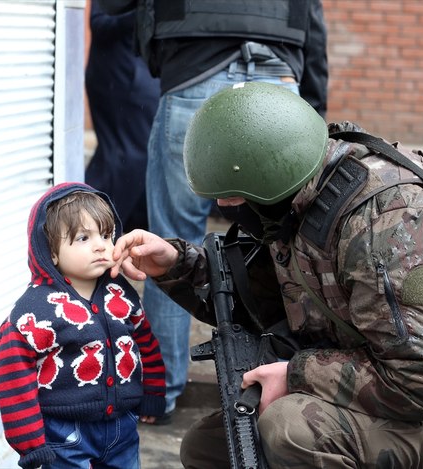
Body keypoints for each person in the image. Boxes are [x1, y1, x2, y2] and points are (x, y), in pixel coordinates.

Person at [111, 82, 423, 468]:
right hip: (392, 400)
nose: (224, 205)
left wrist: (297, 375)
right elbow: (261, 301)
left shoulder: (390, 222)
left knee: (291, 429)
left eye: (234, 196)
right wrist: (175, 264)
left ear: (267, 178)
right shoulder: (304, 198)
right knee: (209, 448)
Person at [98, 0, 329, 423]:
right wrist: (314, 111)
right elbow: (310, 18)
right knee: (285, 240)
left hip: (192, 72)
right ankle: (277, 381)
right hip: (278, 79)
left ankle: (159, 393)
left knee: (167, 239)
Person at [0, 182, 166, 469]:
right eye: (83, 238)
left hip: (122, 427)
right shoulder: (34, 313)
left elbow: (145, 344)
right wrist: (31, 445)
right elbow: (14, 379)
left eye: (107, 234)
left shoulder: (121, 293)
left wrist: (153, 393)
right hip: (63, 433)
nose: (101, 245)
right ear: (51, 253)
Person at [84, 1, 160, 231]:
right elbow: (100, 24)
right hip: (119, 79)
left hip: (146, 77)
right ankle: (89, 228)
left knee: (143, 159)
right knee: (126, 156)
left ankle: (123, 237)